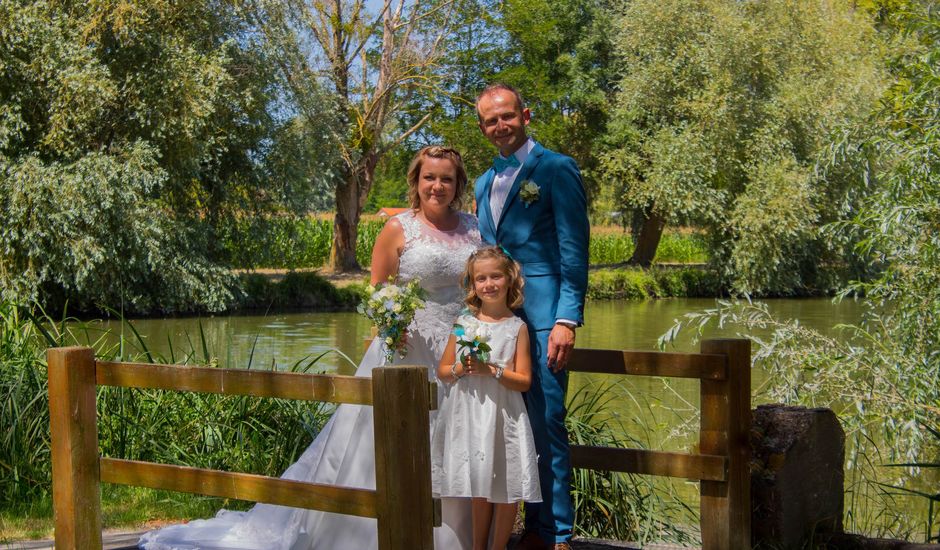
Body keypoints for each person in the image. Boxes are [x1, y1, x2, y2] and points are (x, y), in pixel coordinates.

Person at [138, 146, 482, 550]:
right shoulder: (398, 228)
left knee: (454, 438)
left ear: (458, 184)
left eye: (446, 179)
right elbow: (378, 291)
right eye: (429, 177)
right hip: (407, 348)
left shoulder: (474, 228)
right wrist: (392, 326)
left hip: (460, 350)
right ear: (416, 182)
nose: (437, 186)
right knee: (388, 440)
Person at [473, 84, 590, 550]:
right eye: (490, 120)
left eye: (507, 116)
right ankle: (523, 525)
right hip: (498, 321)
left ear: (525, 114)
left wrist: (567, 319)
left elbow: (574, 250)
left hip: (544, 319)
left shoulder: (557, 169)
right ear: (483, 128)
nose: (500, 125)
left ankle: (555, 532)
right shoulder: (483, 182)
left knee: (547, 423)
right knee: (506, 426)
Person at [431, 246, 541, 550]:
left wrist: (490, 369)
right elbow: (443, 370)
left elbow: (524, 381)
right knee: (480, 483)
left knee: (507, 484)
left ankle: (499, 546)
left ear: (509, 280)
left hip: (504, 413)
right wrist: (462, 368)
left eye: (495, 276)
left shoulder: (517, 327)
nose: (488, 284)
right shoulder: (464, 324)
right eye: (481, 278)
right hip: (471, 414)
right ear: (473, 284)